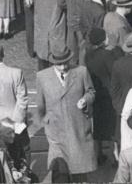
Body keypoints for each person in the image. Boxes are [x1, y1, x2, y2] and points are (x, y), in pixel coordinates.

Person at [34, 45, 96, 181]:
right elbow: (40, 104)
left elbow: (91, 91)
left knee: (80, 168)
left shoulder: (81, 72)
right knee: (60, 169)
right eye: (58, 64)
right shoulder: (42, 77)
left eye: (65, 63)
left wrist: (85, 100)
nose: (62, 67)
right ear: (52, 62)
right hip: (55, 130)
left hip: (77, 126)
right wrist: (46, 122)